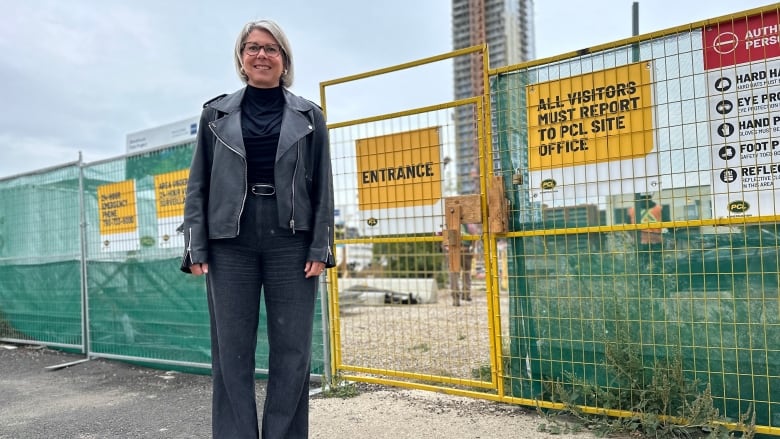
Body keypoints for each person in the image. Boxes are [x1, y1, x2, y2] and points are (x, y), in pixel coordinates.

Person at [180, 19, 334, 439]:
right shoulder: (215, 114)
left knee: (293, 351)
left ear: (284, 61)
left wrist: (321, 246)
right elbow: (198, 185)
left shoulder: (309, 116)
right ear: (241, 59)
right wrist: (196, 246)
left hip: (292, 241)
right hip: (231, 243)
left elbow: (323, 186)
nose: (261, 55)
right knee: (232, 352)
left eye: (271, 49)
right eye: (252, 48)